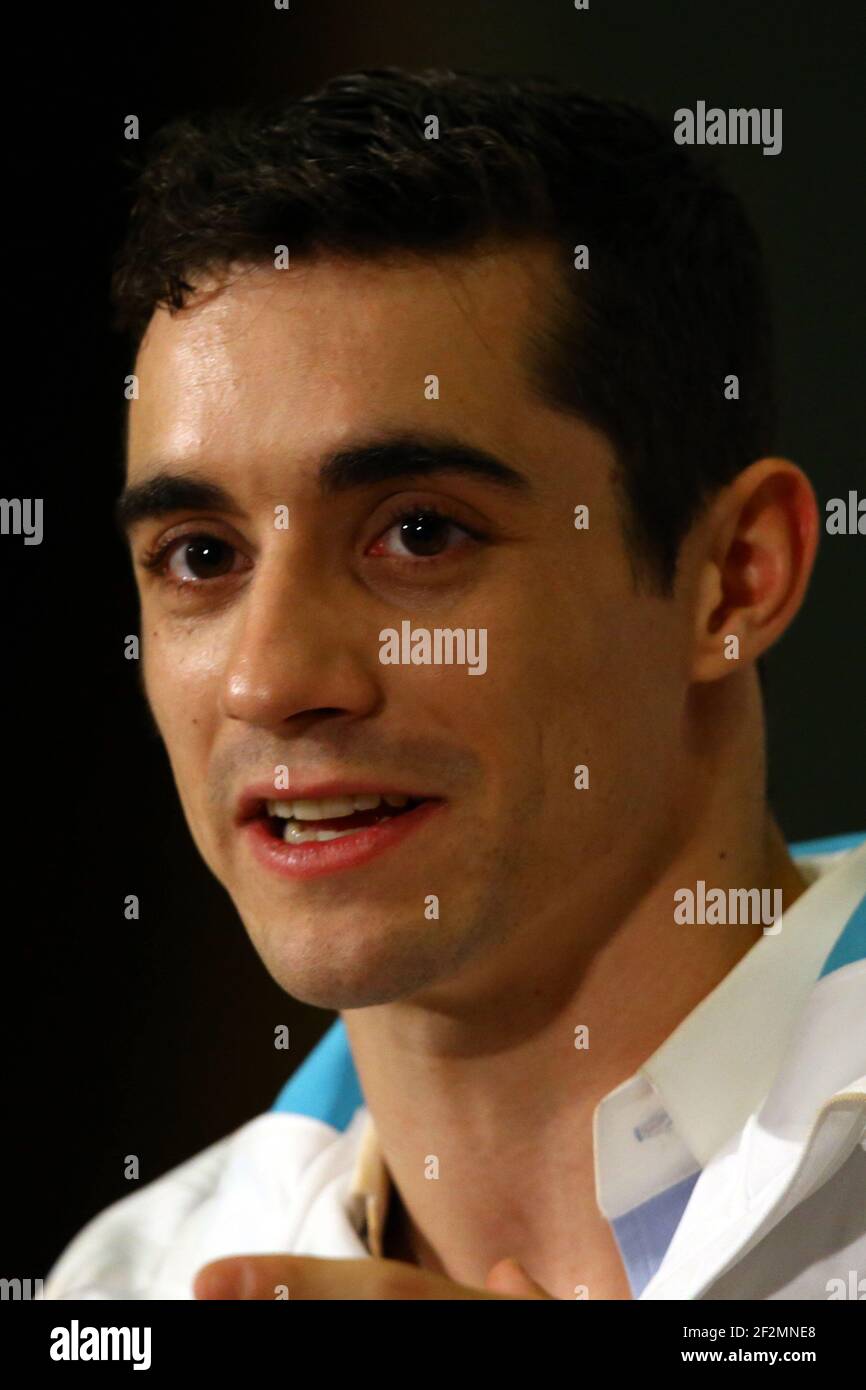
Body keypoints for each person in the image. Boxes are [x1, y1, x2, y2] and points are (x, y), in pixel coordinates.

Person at [42, 69, 865, 1301]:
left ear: (732, 578)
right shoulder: (127, 1287)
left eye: (419, 534)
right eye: (201, 557)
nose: (272, 679)